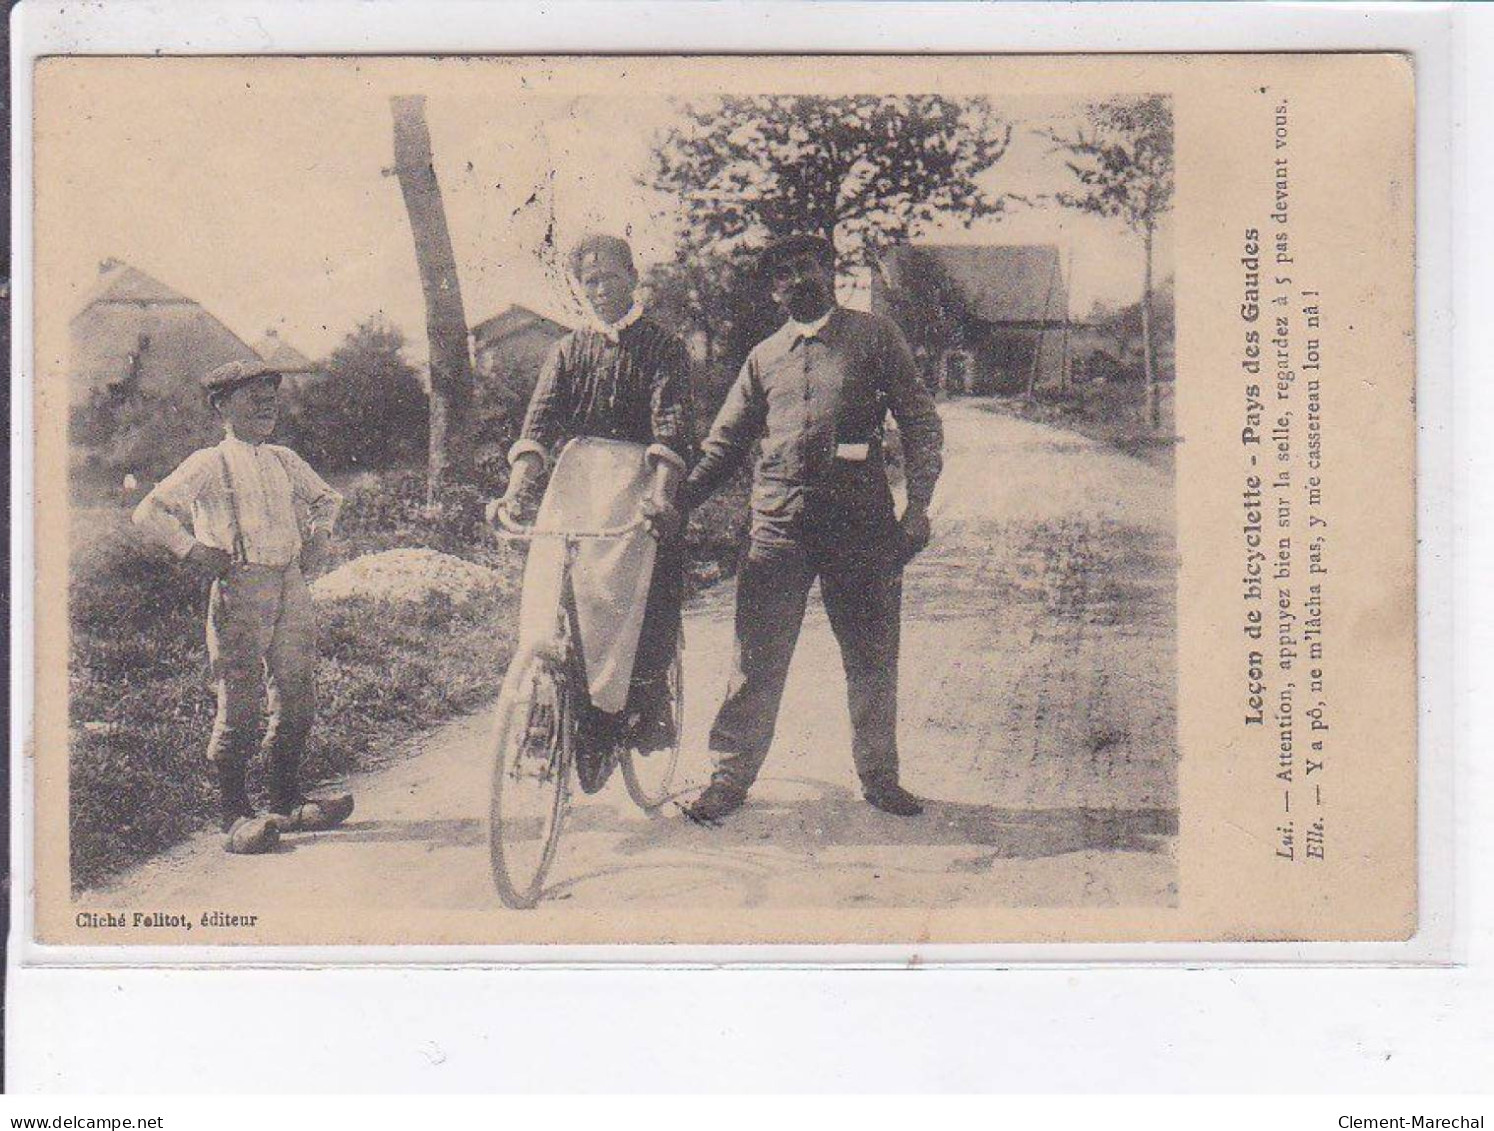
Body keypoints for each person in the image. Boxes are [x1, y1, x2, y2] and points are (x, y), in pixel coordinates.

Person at [680, 233, 944, 823]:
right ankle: (728, 779)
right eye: (783, 275)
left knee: (871, 655)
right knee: (756, 657)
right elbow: (723, 445)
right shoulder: (763, 358)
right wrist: (679, 501)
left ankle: (880, 777)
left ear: (829, 271)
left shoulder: (874, 338)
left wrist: (918, 507)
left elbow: (921, 422)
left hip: (860, 529)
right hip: (778, 530)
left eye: (808, 268)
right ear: (774, 291)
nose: (797, 281)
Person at [487, 233, 693, 768]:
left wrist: (658, 498)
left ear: (632, 276)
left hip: (637, 483)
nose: (598, 290)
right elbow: (539, 426)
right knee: (549, 591)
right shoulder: (567, 349)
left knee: (635, 593)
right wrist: (514, 493)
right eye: (588, 281)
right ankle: (546, 710)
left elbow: (670, 432)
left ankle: (638, 708)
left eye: (608, 278)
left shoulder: (663, 347)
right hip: (575, 484)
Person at [133, 359, 352, 854]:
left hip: (290, 583)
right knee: (241, 702)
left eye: (270, 393)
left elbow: (328, 498)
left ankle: (285, 801)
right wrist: (190, 549)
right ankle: (233, 816)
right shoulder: (209, 463)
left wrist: (320, 536)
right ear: (222, 404)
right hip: (241, 587)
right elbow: (149, 510)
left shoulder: (281, 458)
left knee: (298, 693)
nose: (265, 402)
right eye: (252, 394)